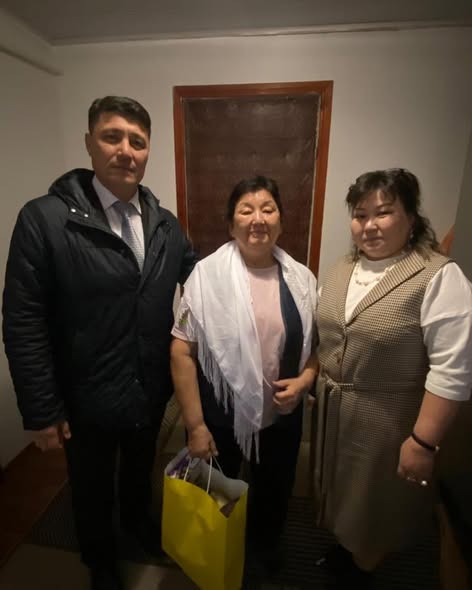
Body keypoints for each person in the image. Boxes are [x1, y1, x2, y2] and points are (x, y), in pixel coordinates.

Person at [2, 96, 197, 590]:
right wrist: (42, 409)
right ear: (89, 143)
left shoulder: (165, 224)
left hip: (149, 387)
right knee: (90, 487)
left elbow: (200, 279)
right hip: (86, 393)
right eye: (112, 137)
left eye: (138, 141)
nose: (125, 150)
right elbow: (23, 319)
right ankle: (99, 559)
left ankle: (138, 525)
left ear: (148, 151)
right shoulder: (45, 219)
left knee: (139, 470)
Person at [313, 168, 472, 587]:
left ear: (411, 218)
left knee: (378, 502)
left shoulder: (438, 275)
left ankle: (364, 568)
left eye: (383, 213)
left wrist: (423, 442)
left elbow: (452, 370)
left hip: (390, 419)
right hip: (335, 412)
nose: (369, 225)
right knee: (341, 491)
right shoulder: (342, 267)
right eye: (360, 215)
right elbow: (327, 335)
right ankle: (347, 548)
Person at [170, 175, 318, 574]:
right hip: (220, 417)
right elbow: (181, 352)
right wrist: (195, 426)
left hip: (281, 417)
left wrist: (305, 382)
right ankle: (215, 558)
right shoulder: (205, 278)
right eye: (246, 210)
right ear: (231, 223)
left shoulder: (302, 280)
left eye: (268, 209)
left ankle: (263, 551)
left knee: (275, 491)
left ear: (281, 221)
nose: (258, 219)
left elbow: (315, 353)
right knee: (215, 493)